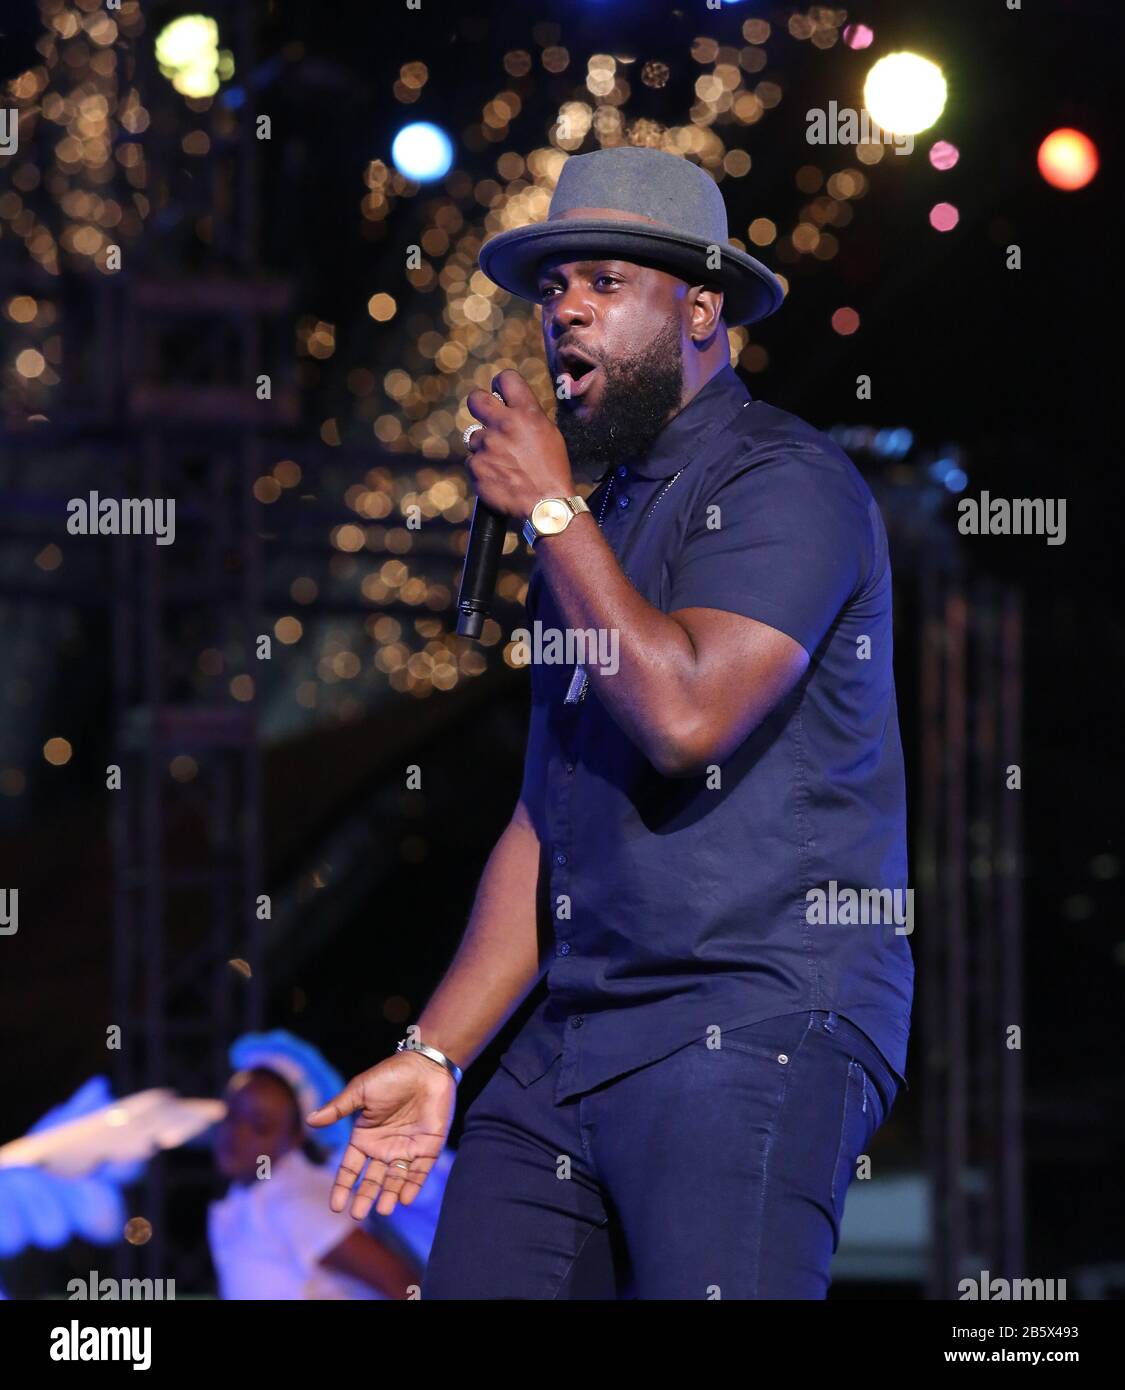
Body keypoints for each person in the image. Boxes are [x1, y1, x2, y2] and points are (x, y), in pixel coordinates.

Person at [308, 145, 914, 1299]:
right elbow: (551, 821)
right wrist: (433, 1053)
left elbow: (686, 715)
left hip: (754, 1007)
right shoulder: (591, 536)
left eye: (603, 282)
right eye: (553, 289)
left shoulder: (790, 481)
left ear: (699, 307)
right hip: (578, 1034)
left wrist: (545, 508)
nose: (565, 313)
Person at [208, 1034, 423, 1300]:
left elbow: (405, 1284)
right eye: (232, 1114)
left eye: (260, 1126)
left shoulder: (296, 1198)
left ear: (294, 1138)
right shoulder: (246, 1196)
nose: (236, 1134)